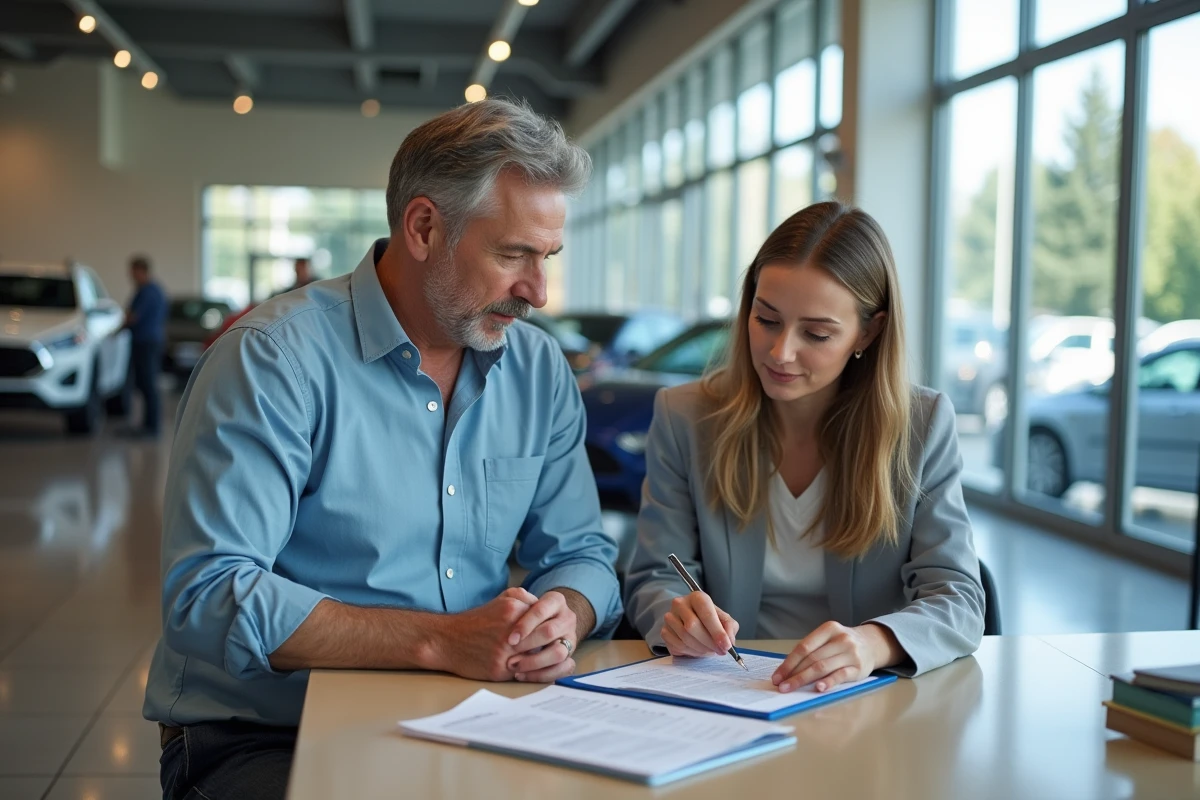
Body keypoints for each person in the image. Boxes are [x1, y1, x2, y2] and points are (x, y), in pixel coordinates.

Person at [143, 98, 621, 800]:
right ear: (424, 226)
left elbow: (583, 553)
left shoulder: (538, 369)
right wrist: (437, 640)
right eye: (513, 254)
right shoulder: (273, 360)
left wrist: (564, 614)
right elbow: (210, 595)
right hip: (269, 732)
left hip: (475, 715)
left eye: (546, 256)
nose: (539, 293)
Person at [623, 201, 984, 695]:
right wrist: (675, 615)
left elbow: (959, 598)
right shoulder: (685, 416)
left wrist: (873, 644)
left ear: (870, 331)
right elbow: (651, 575)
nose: (780, 352)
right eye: (766, 319)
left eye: (816, 333)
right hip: (730, 691)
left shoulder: (920, 425)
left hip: (869, 703)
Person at [123, 255, 168, 437]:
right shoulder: (152, 290)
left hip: (146, 343)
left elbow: (133, 317)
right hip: (148, 341)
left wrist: (118, 328)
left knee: (148, 384)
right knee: (145, 383)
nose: (131, 275)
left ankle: (152, 427)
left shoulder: (148, 292)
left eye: (133, 271)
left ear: (142, 271)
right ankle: (147, 425)